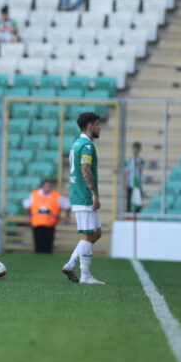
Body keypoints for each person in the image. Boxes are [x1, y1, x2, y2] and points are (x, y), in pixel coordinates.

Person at [62, 112, 104, 284]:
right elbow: (85, 170)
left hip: (77, 193)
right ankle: (85, 275)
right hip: (84, 195)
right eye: (98, 124)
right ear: (90, 125)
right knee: (89, 234)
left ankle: (71, 264)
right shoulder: (87, 145)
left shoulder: (76, 144)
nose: (100, 128)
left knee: (96, 232)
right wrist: (94, 194)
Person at [23, 179, 70, 254]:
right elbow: (26, 206)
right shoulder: (34, 194)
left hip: (50, 223)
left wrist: (67, 217)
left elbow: (67, 206)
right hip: (36, 223)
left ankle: (48, 255)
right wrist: (28, 218)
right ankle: (38, 254)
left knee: (48, 242)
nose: (48, 187)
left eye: (50, 186)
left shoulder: (56, 195)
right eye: (46, 186)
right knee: (38, 241)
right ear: (42, 186)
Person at [125, 141, 144, 212]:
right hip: (130, 185)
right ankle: (129, 216)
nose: (135, 151)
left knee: (138, 205)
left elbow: (141, 170)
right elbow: (127, 172)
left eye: (136, 149)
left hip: (137, 185)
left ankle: (137, 216)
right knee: (129, 204)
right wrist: (126, 183)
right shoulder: (129, 161)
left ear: (139, 150)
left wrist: (137, 163)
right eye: (134, 149)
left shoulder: (141, 161)